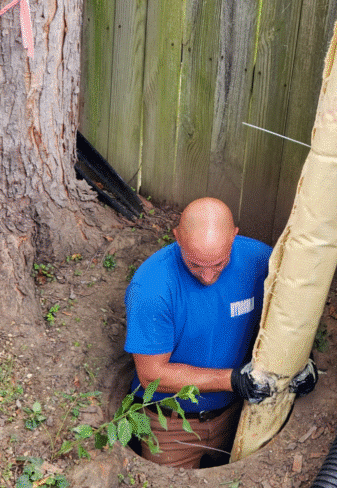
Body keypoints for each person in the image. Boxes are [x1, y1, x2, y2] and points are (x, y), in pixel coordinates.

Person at [123, 197, 317, 468]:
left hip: (237, 413)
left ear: (234, 236)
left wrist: (301, 363)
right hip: (170, 425)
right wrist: (233, 380)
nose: (208, 277)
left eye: (218, 264)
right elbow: (152, 375)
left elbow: (290, 318)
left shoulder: (261, 261)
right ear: (177, 237)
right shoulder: (151, 287)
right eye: (195, 265)